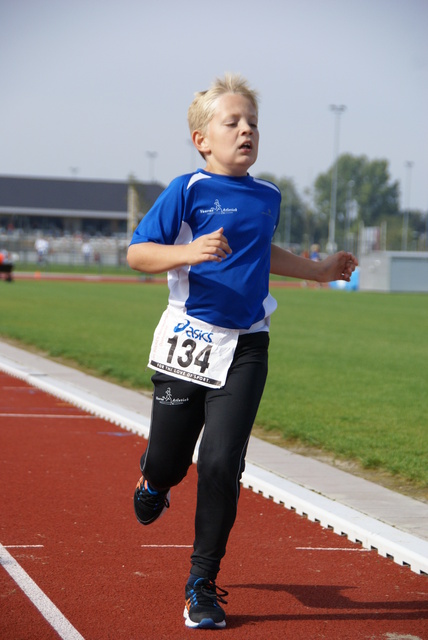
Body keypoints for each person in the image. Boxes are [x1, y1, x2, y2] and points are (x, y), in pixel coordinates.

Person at [127, 73, 358, 630]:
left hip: (248, 344)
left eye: (252, 122)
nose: (246, 130)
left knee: (221, 461)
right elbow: (137, 254)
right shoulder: (186, 190)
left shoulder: (268, 195)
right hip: (189, 340)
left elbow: (262, 251)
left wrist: (318, 271)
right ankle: (153, 479)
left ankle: (201, 583)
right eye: (232, 122)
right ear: (201, 138)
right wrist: (189, 252)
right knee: (171, 460)